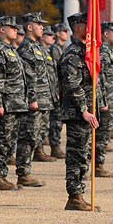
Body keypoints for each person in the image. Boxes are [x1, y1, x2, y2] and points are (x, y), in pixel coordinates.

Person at [58, 12, 102, 211]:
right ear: (78, 28)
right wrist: (84, 110)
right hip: (77, 113)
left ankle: (79, 193)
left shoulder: (87, 51)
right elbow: (72, 85)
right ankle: (74, 196)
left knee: (85, 154)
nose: (92, 28)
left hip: (86, 112)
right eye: (88, 24)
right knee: (77, 154)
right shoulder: (73, 54)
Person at [0, 16, 30, 190]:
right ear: (2, 30)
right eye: (12, 27)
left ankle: (2, 174)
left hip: (15, 104)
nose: (16, 31)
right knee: (2, 141)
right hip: (5, 104)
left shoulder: (11, 49)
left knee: (9, 141)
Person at [15, 12, 52, 179]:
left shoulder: (38, 47)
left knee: (36, 136)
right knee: (28, 136)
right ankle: (23, 172)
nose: (43, 27)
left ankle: (26, 170)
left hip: (43, 99)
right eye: (39, 24)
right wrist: (32, 99)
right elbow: (28, 76)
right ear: (30, 27)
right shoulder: (26, 48)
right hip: (34, 101)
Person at [94, 22, 113, 176]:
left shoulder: (109, 52)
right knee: (101, 135)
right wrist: (102, 101)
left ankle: (99, 164)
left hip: (111, 100)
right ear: (105, 34)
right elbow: (100, 80)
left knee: (105, 135)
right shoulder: (102, 52)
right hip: (105, 102)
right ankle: (97, 165)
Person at [40, 27, 62, 158]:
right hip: (42, 93)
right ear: (42, 36)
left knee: (47, 122)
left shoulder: (48, 51)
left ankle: (48, 147)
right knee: (41, 124)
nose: (52, 38)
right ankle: (40, 149)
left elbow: (54, 73)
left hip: (50, 92)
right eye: (49, 35)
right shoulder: (45, 50)